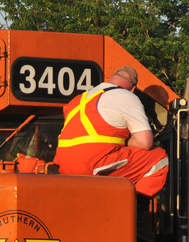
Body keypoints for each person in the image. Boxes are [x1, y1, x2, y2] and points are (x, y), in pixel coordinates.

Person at [53, 66, 168, 196]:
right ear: (133, 89)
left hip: (63, 167)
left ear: (110, 80)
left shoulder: (78, 99)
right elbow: (144, 142)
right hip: (91, 165)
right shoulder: (126, 96)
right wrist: (128, 141)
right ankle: (134, 207)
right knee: (159, 158)